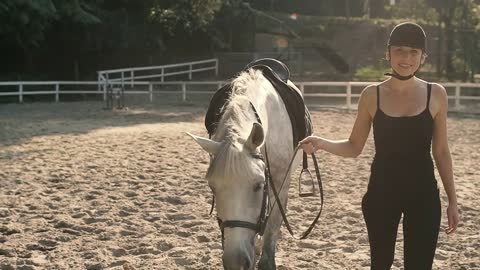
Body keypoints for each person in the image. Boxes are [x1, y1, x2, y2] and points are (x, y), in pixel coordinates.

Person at [299, 22, 459, 269]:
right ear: (388, 54)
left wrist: (453, 201)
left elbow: (441, 151)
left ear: (423, 58)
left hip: (424, 196)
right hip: (381, 194)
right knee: (380, 264)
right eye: (400, 51)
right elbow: (354, 146)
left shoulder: (436, 94)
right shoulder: (371, 95)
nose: (406, 58)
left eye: (414, 52)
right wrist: (321, 143)